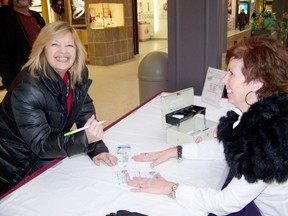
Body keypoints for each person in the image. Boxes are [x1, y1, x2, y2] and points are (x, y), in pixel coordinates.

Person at [127, 35, 288, 216]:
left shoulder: (269, 139)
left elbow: (225, 203)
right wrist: (175, 151)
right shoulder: (265, 113)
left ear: (257, 83)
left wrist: (170, 187)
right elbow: (229, 147)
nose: (223, 81)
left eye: (232, 74)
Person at [0, 21, 118, 196]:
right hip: (17, 163)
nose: (63, 52)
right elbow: (41, 143)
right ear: (42, 49)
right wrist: (84, 139)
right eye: (55, 44)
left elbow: (85, 113)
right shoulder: (28, 88)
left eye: (69, 45)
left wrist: (96, 148)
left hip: (46, 150)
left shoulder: (77, 73)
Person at [0, 0, 45, 90]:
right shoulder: (5, 18)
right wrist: (11, 84)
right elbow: (2, 55)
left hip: (43, 73)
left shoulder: (37, 16)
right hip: (22, 79)